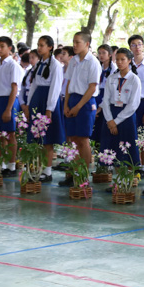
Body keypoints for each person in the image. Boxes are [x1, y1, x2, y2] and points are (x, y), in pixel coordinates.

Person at [59, 31, 100, 186]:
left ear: (87, 44)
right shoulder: (74, 60)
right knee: (72, 139)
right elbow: (68, 83)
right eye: (74, 42)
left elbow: (92, 87)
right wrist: (66, 104)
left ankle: (83, 175)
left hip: (85, 102)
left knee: (83, 139)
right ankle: (74, 173)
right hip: (72, 99)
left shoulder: (93, 62)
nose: (74, 45)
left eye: (78, 42)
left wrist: (78, 106)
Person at [26, 35, 66, 183]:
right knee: (37, 138)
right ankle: (38, 168)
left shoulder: (55, 65)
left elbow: (55, 88)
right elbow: (34, 85)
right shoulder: (39, 64)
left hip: (48, 101)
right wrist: (29, 104)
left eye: (42, 45)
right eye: (38, 45)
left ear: (50, 47)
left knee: (47, 138)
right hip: (37, 100)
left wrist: (49, 109)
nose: (39, 48)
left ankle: (47, 171)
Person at [101, 48, 142, 182]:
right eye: (117, 59)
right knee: (113, 148)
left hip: (126, 117)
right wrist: (109, 120)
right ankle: (118, 182)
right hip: (111, 114)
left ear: (129, 60)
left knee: (127, 149)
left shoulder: (134, 79)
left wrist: (116, 121)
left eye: (122, 59)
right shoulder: (112, 78)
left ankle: (127, 182)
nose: (119, 62)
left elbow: (133, 104)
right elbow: (105, 101)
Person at [0, 36, 22, 177]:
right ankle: (2, 164)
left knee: (10, 134)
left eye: (2, 46)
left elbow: (14, 88)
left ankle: (12, 166)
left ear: (9, 48)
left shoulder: (13, 65)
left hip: (8, 100)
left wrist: (8, 109)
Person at [128, 34, 144, 175]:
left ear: (143, 46)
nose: (137, 47)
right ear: (130, 48)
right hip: (129, 103)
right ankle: (132, 164)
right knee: (130, 135)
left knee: (143, 136)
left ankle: (143, 166)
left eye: (139, 44)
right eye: (133, 45)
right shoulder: (127, 64)